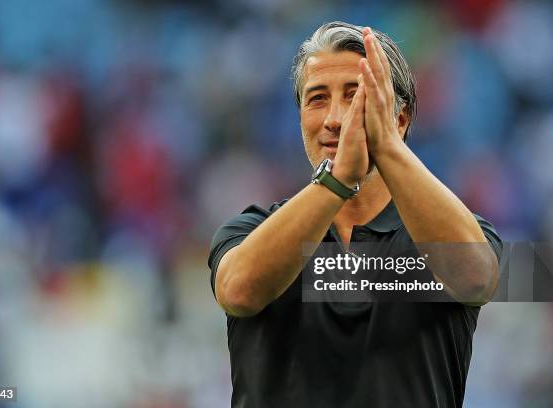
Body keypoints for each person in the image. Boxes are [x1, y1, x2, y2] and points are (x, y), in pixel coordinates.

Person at [208, 21, 501, 408]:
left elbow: (477, 278)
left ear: (400, 118)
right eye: (316, 99)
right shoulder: (249, 230)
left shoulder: (449, 233)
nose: (334, 118)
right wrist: (338, 179)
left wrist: (386, 147)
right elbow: (239, 291)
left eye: (355, 97)